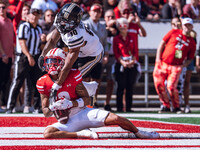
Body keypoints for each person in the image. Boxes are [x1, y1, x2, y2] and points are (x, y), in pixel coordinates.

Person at [36, 47, 160, 139]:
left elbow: (87, 100)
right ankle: (82, 134)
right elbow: (46, 112)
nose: (51, 64)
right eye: (49, 61)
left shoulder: (73, 75)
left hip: (83, 112)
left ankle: (140, 133)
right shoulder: (43, 82)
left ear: (64, 63)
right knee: (48, 133)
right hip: (67, 120)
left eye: (55, 61)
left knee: (116, 118)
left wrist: (70, 104)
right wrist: (53, 107)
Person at [38, 3, 104, 105]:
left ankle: (89, 94)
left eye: (67, 21)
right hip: (81, 52)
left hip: (93, 54)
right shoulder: (62, 21)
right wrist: (43, 55)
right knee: (69, 78)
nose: (63, 23)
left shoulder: (76, 35)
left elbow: (68, 65)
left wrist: (57, 85)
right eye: (62, 19)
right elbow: (52, 41)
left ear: (75, 22)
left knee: (72, 78)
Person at [6, 8, 45, 114]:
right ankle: (10, 106)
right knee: (17, 81)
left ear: (39, 16)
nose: (34, 17)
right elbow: (22, 43)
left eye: (37, 15)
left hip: (35, 56)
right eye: (32, 14)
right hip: (23, 57)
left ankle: (37, 107)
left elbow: (40, 46)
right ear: (28, 16)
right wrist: (29, 56)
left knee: (36, 83)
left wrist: (44, 41)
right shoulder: (24, 26)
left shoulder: (39, 29)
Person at [153, 17, 196, 114]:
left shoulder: (192, 41)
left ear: (192, 26)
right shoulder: (173, 32)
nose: (187, 27)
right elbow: (162, 44)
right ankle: (165, 105)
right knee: (159, 85)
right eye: (185, 25)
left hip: (176, 66)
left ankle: (176, 106)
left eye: (189, 25)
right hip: (163, 63)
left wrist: (183, 65)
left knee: (171, 87)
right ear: (182, 25)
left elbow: (190, 58)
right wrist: (157, 58)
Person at [83, 3, 108, 107]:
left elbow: (105, 42)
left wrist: (106, 54)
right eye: (94, 11)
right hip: (87, 56)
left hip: (98, 56)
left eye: (98, 11)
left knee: (96, 80)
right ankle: (84, 100)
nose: (96, 14)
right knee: (85, 79)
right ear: (90, 12)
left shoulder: (102, 26)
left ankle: (93, 101)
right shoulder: (85, 24)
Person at [113, 18, 140, 112]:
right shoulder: (116, 39)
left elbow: (136, 51)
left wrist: (133, 61)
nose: (123, 27)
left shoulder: (132, 37)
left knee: (130, 87)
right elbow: (116, 53)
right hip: (121, 64)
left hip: (131, 64)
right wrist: (122, 62)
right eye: (121, 25)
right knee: (121, 86)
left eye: (125, 25)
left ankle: (128, 107)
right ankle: (119, 108)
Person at [102, 9, 118, 111]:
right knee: (96, 80)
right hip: (101, 56)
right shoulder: (101, 27)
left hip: (113, 56)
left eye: (112, 17)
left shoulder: (117, 29)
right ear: (105, 18)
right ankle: (92, 101)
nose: (110, 19)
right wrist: (107, 29)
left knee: (111, 81)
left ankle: (107, 102)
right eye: (108, 17)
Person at [0, 1, 14, 113]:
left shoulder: (9, 21)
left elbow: (11, 40)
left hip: (9, 56)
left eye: (3, 7)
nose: (1, 9)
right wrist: (3, 53)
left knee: (6, 80)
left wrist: (12, 55)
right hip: (2, 56)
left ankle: (4, 104)